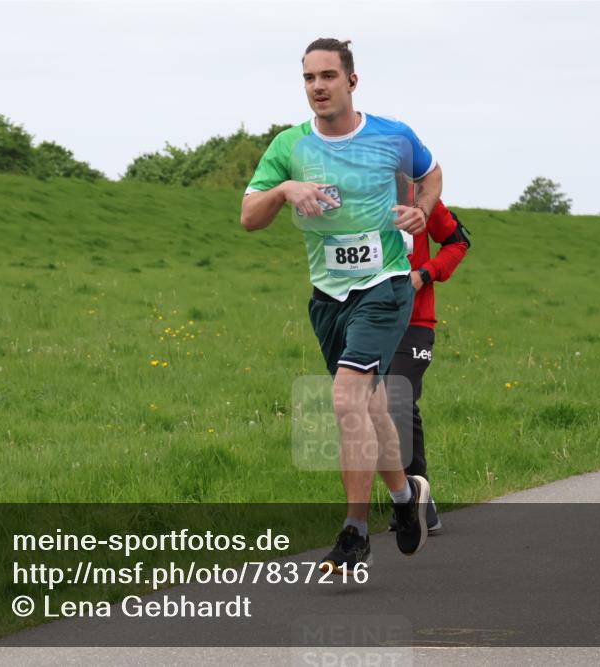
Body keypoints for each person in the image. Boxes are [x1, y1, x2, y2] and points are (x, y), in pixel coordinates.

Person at [240, 38, 443, 575]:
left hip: (387, 283)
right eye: (309, 78)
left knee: (346, 397)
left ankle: (354, 530)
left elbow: (431, 172)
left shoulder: (391, 135)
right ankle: (405, 498)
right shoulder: (289, 146)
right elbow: (248, 218)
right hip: (328, 295)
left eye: (328, 76)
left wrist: (421, 210)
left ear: (352, 81)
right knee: (369, 406)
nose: (318, 87)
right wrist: (284, 189)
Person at [387, 184, 470, 533]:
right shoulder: (355, 193)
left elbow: (458, 242)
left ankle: (420, 496)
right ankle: (403, 497)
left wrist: (425, 273)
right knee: (370, 408)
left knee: (398, 400)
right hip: (367, 320)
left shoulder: (420, 199)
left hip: (415, 323)